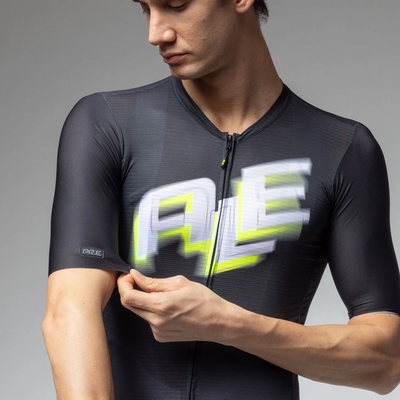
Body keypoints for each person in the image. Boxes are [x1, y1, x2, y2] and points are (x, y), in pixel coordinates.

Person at [42, 0, 400, 399]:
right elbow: (69, 312)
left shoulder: (343, 150)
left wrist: (229, 324)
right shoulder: (107, 125)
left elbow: (386, 362)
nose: (156, 33)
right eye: (146, 8)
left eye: (176, 5)